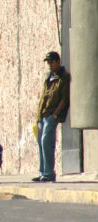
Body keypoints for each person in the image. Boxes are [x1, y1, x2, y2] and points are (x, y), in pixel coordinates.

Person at [32, 51, 70, 183]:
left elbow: (64, 99)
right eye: (48, 62)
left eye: (51, 62)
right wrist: (38, 115)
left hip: (52, 115)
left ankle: (49, 173)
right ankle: (42, 172)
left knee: (46, 141)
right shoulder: (49, 76)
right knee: (41, 143)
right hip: (43, 114)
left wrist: (55, 115)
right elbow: (44, 96)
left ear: (58, 62)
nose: (49, 65)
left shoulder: (63, 76)